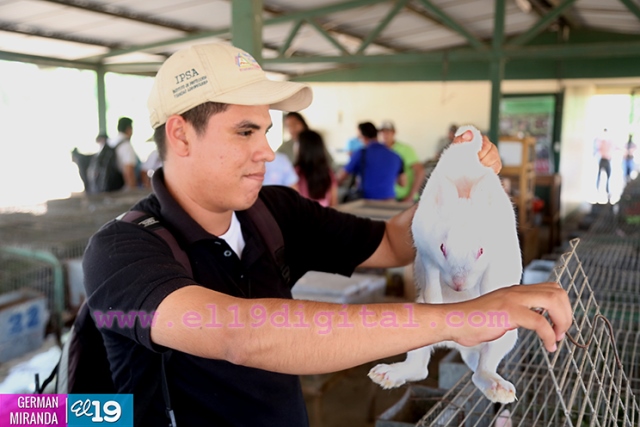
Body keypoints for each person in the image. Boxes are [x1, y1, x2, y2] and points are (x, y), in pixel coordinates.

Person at [82, 43, 572, 426]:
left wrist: (454, 180)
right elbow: (243, 334)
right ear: (181, 134)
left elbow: (398, 244)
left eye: (268, 132)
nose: (268, 152)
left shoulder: (273, 211)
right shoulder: (123, 250)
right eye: (245, 132)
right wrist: (456, 318)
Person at [337, 122, 406, 201]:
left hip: (366, 203)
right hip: (389, 203)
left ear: (364, 137)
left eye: (359, 138)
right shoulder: (396, 156)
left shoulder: (361, 154)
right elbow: (403, 183)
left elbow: (340, 178)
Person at [379, 120, 426, 202]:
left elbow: (420, 171)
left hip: (403, 198)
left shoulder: (405, 149)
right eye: (382, 132)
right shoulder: (378, 150)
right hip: (385, 199)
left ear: (394, 133)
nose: (385, 135)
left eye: (388, 132)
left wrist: (410, 196)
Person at [295, 129, 338, 207]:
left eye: (297, 143)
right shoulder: (328, 172)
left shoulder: (296, 172)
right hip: (325, 216)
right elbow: (334, 202)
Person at [109, 117, 140, 190]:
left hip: (108, 188)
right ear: (129, 129)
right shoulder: (126, 146)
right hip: (120, 189)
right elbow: (129, 171)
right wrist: (133, 191)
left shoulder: (110, 143)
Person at [595, 128, 613, 195]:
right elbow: (598, 149)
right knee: (599, 175)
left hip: (607, 160)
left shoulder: (609, 142)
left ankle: (607, 190)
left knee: (608, 176)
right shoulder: (601, 141)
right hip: (603, 159)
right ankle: (597, 189)